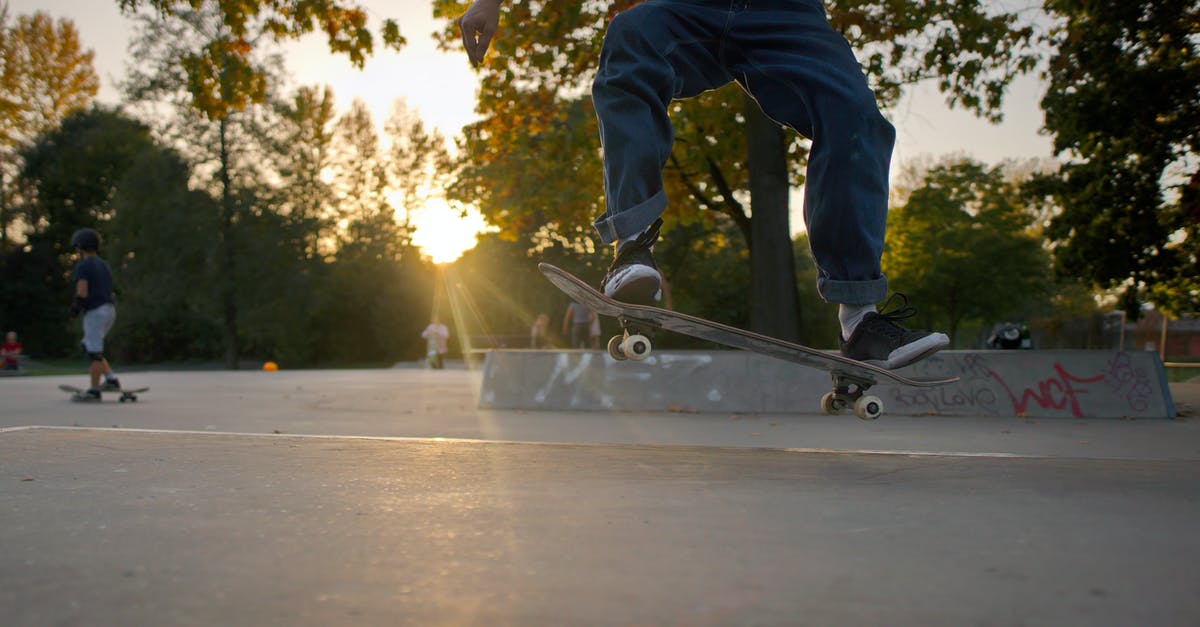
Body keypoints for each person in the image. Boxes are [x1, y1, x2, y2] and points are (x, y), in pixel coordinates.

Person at [457, 0, 949, 368]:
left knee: (857, 120)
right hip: (691, 8)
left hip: (789, 15)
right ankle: (633, 249)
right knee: (630, 37)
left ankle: (860, 317)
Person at [68, 228, 121, 400]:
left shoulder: (83, 266)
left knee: (93, 352)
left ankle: (94, 390)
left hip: (95, 312)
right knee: (90, 346)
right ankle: (111, 379)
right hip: (109, 310)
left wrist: (76, 308)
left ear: (80, 246)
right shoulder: (103, 264)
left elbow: (82, 291)